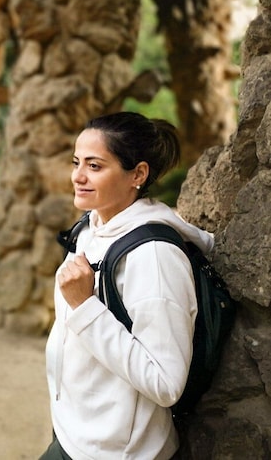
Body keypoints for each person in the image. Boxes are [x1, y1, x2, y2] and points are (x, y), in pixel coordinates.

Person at [40, 112, 212, 460]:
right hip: (74, 435)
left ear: (138, 174)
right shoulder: (91, 227)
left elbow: (165, 383)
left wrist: (85, 306)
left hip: (117, 452)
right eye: (76, 162)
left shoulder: (155, 257)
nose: (78, 176)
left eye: (95, 166)